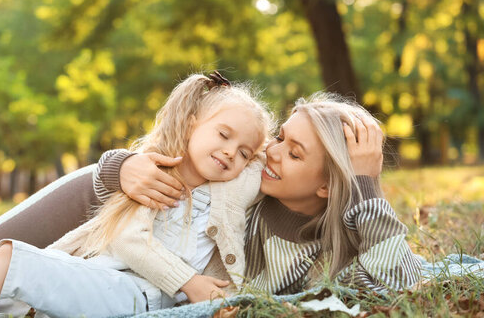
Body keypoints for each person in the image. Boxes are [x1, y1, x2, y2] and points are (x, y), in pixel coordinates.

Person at [0, 72, 274, 318]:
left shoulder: (233, 190)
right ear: (192, 125)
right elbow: (124, 236)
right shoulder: (153, 170)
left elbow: (277, 159)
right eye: (223, 135)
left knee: (10, 260)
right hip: (95, 275)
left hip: (138, 294)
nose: (230, 152)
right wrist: (120, 165)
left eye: (243, 151)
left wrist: (188, 283)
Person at [93, 92, 423, 295]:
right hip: (88, 220)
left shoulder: (324, 256)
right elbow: (108, 181)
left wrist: (364, 184)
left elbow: (401, 284)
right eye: (280, 138)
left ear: (327, 186)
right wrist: (119, 166)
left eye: (294, 154)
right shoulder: (244, 172)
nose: (271, 153)